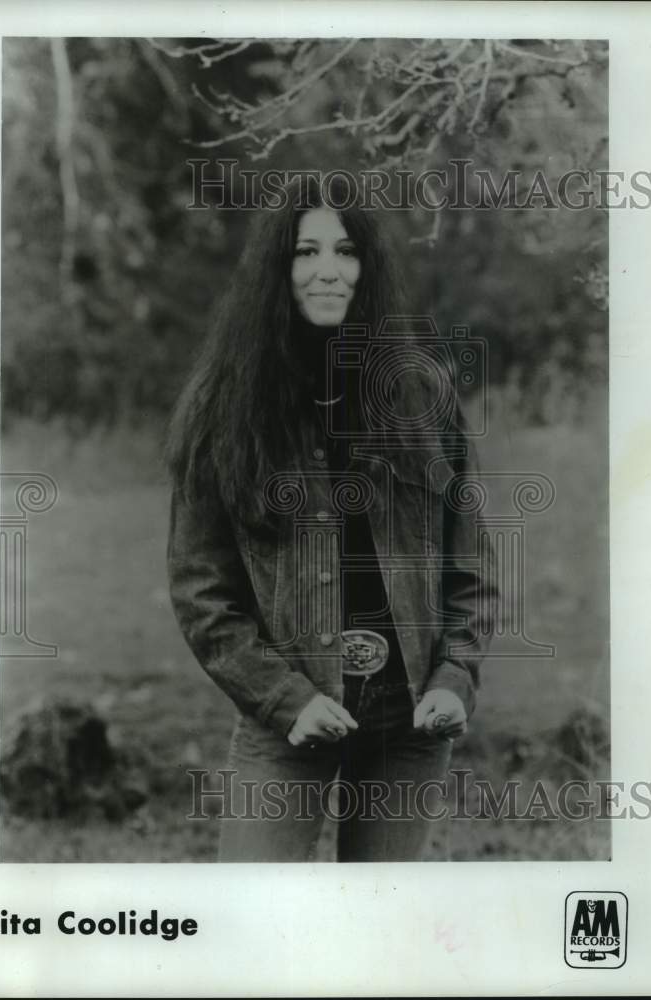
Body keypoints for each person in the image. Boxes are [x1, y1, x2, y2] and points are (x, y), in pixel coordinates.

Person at [166, 174, 497, 861]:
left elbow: (472, 564)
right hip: (288, 719)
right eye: (305, 252)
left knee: (377, 942)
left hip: (410, 723)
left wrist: (453, 677)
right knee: (250, 934)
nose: (327, 271)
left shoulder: (421, 393)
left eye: (345, 252)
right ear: (276, 269)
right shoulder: (222, 409)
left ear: (366, 268)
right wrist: (287, 700)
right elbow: (204, 595)